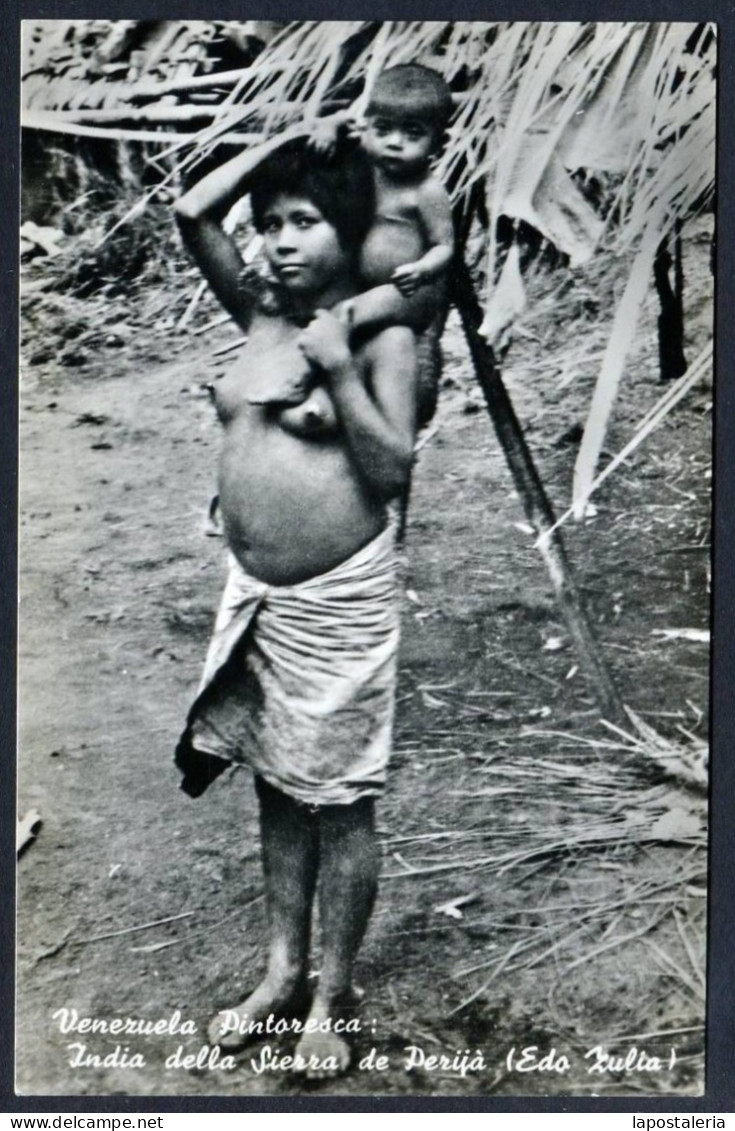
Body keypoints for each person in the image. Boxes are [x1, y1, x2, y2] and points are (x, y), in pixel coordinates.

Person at [173, 134, 418, 1078]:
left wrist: (338, 367)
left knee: (340, 799)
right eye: (270, 224)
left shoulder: (379, 333)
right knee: (278, 784)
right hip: (256, 596)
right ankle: (281, 970)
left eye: (303, 222)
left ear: (349, 231)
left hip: (337, 601)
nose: (277, 242)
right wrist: (278, 148)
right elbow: (193, 213)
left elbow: (392, 469)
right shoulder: (259, 310)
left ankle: (333, 990)